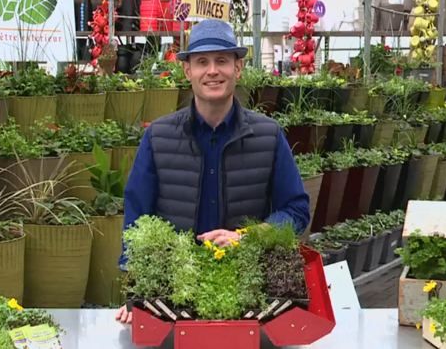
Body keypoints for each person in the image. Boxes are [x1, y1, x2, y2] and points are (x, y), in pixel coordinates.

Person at [115, 19, 310, 324]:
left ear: (238, 68)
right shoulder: (159, 137)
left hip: (247, 293)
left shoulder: (268, 136)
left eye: (222, 61)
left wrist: (247, 237)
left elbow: (296, 211)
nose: (213, 71)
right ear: (187, 70)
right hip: (174, 292)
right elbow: (136, 216)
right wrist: (136, 290)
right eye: (202, 62)